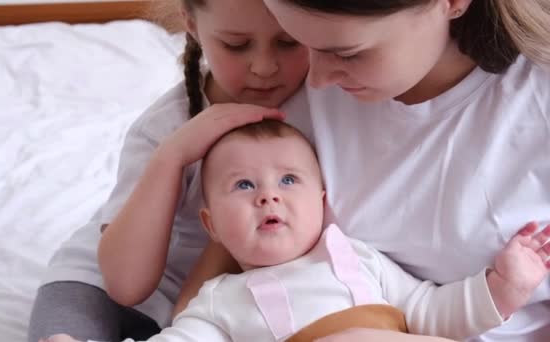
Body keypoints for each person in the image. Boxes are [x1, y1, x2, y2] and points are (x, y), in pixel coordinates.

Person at [174, 0, 550, 340]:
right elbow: (199, 307)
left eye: (346, 54)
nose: (316, 81)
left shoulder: (535, 103)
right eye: (298, 41)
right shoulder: (292, 99)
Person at [43, 120, 550, 342]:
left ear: (323, 202)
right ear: (211, 226)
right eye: (243, 185)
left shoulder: (356, 259)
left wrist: (505, 286)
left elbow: (431, 313)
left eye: (288, 180)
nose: (268, 195)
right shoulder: (220, 300)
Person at [27, 0, 312, 341]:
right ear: (191, 24)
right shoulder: (162, 128)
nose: (265, 67)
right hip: (102, 284)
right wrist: (172, 156)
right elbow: (126, 286)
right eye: (236, 45)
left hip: (215, 304)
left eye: (289, 42)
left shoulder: (326, 114)